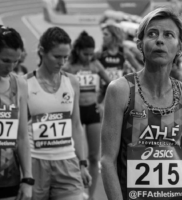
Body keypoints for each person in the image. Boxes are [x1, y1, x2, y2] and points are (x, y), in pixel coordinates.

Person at [101, 7, 182, 200]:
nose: (159, 39)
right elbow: (108, 161)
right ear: (139, 44)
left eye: (169, 35)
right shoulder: (120, 90)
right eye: (152, 33)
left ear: (180, 48)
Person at [25, 27, 91, 200]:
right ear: (42, 52)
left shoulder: (72, 82)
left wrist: (83, 163)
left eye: (65, 57)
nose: (62, 62)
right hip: (35, 163)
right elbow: (20, 133)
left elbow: (76, 124)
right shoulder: (24, 84)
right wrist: (24, 173)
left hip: (67, 162)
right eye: (56, 56)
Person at [63, 31, 110, 200]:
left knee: (94, 156)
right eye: (85, 54)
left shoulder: (95, 65)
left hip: (92, 111)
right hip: (74, 112)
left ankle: (89, 196)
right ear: (77, 51)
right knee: (74, 155)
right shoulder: (68, 67)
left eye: (91, 54)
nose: (89, 57)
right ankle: (76, 191)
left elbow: (111, 84)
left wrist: (101, 102)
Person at [0, 25, 33, 199]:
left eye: (16, 61)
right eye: (5, 60)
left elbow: (23, 136)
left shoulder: (19, 84)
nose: (11, 66)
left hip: (7, 179)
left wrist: (27, 178)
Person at [96, 24, 143, 102]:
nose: (103, 37)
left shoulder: (123, 51)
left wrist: (134, 80)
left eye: (106, 34)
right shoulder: (100, 52)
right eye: (103, 34)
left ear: (114, 36)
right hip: (104, 91)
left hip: (120, 89)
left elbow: (138, 67)